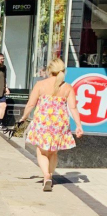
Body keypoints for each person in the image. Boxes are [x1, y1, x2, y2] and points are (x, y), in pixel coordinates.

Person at [17, 58, 84, 191]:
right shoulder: (67, 87)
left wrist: (23, 118)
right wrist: (79, 125)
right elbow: (73, 108)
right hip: (60, 123)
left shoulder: (40, 85)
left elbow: (31, 104)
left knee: (41, 151)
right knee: (53, 152)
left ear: (49, 70)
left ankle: (46, 175)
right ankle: (51, 175)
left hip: (43, 122)